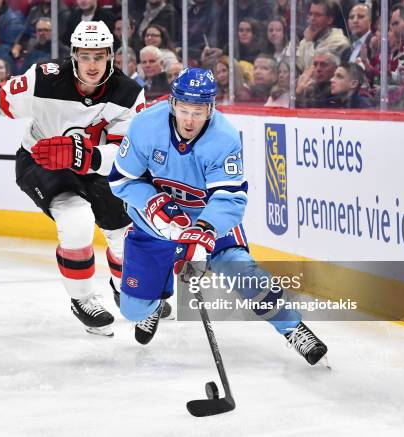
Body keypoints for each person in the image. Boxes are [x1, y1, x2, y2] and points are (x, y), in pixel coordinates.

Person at [0, 21, 156, 337]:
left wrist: (85, 156)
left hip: (94, 166)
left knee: (123, 232)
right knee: (76, 219)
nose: (93, 65)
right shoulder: (44, 79)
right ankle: (83, 299)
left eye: (99, 56)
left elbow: (124, 153)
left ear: (110, 56)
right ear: (73, 56)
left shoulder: (129, 93)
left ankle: (125, 286)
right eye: (85, 56)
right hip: (42, 159)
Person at [107, 67, 328, 366]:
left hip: (206, 219)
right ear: (172, 104)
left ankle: (292, 328)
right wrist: (155, 204)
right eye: (184, 109)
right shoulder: (146, 125)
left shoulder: (223, 138)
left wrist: (202, 234)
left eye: (198, 111)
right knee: (133, 311)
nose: (189, 119)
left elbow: (229, 198)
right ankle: (157, 299)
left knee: (242, 272)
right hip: (153, 222)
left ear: (210, 108)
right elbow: (121, 180)